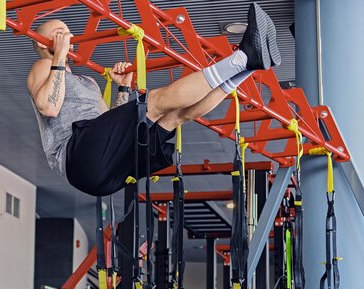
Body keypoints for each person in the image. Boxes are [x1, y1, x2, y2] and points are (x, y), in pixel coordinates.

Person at [27, 3, 280, 196]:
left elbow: (109, 124)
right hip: (76, 158)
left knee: (175, 117)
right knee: (155, 101)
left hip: (103, 169)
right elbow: (49, 107)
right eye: (58, 33)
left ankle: (247, 68)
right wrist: (57, 57)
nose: (66, 38)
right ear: (40, 43)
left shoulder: (88, 82)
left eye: (67, 33)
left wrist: (123, 90)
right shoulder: (42, 66)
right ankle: (243, 58)